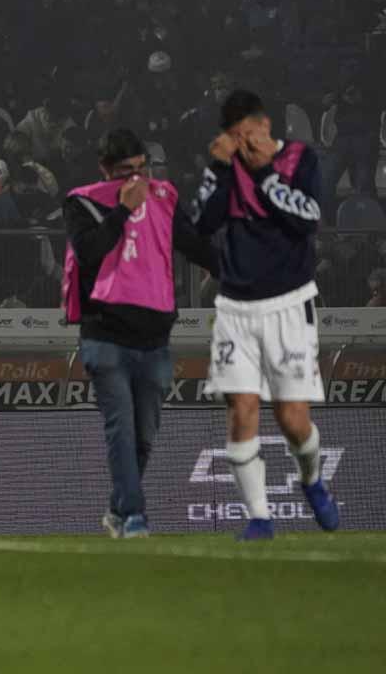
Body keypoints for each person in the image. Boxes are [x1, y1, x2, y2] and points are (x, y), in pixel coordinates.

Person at [191, 89, 339, 541]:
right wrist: (217, 168)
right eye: (235, 138)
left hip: (289, 303)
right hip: (235, 306)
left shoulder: (300, 159)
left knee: (293, 419)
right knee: (241, 409)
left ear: (266, 125)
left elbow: (309, 217)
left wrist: (267, 175)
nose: (244, 144)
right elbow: (201, 223)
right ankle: (259, 517)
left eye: (249, 134)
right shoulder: (224, 168)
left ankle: (311, 480)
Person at [62, 128, 219, 539]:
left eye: (140, 170)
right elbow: (89, 252)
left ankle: (117, 508)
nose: (134, 179)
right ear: (105, 170)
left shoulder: (164, 197)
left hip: (154, 337)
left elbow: (195, 246)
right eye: (124, 172)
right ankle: (134, 516)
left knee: (144, 435)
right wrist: (121, 211)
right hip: (104, 333)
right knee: (121, 428)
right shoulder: (82, 202)